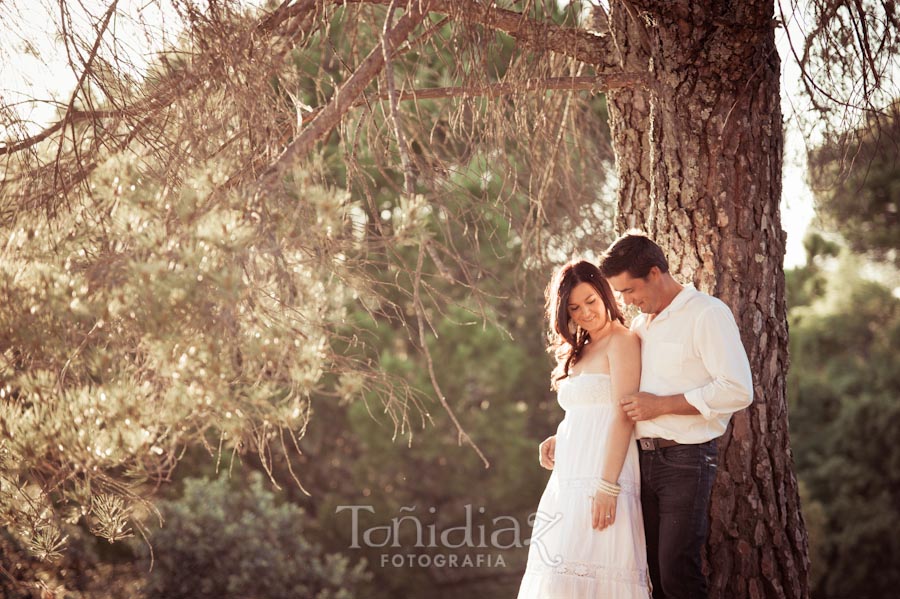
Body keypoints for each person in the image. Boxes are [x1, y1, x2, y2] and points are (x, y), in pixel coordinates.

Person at [598, 232, 753, 599]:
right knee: (651, 574)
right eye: (620, 294)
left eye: (630, 290)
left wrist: (662, 404)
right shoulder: (640, 326)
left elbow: (738, 389)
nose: (627, 301)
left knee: (676, 572)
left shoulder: (707, 313)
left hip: (686, 459)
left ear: (655, 273)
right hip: (640, 461)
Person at [517, 260, 651, 599]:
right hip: (569, 475)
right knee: (561, 572)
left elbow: (623, 415)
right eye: (575, 308)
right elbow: (585, 410)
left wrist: (608, 486)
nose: (585, 312)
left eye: (591, 300)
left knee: (599, 569)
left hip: (605, 473)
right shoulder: (580, 349)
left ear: (605, 293)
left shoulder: (622, 341)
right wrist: (559, 437)